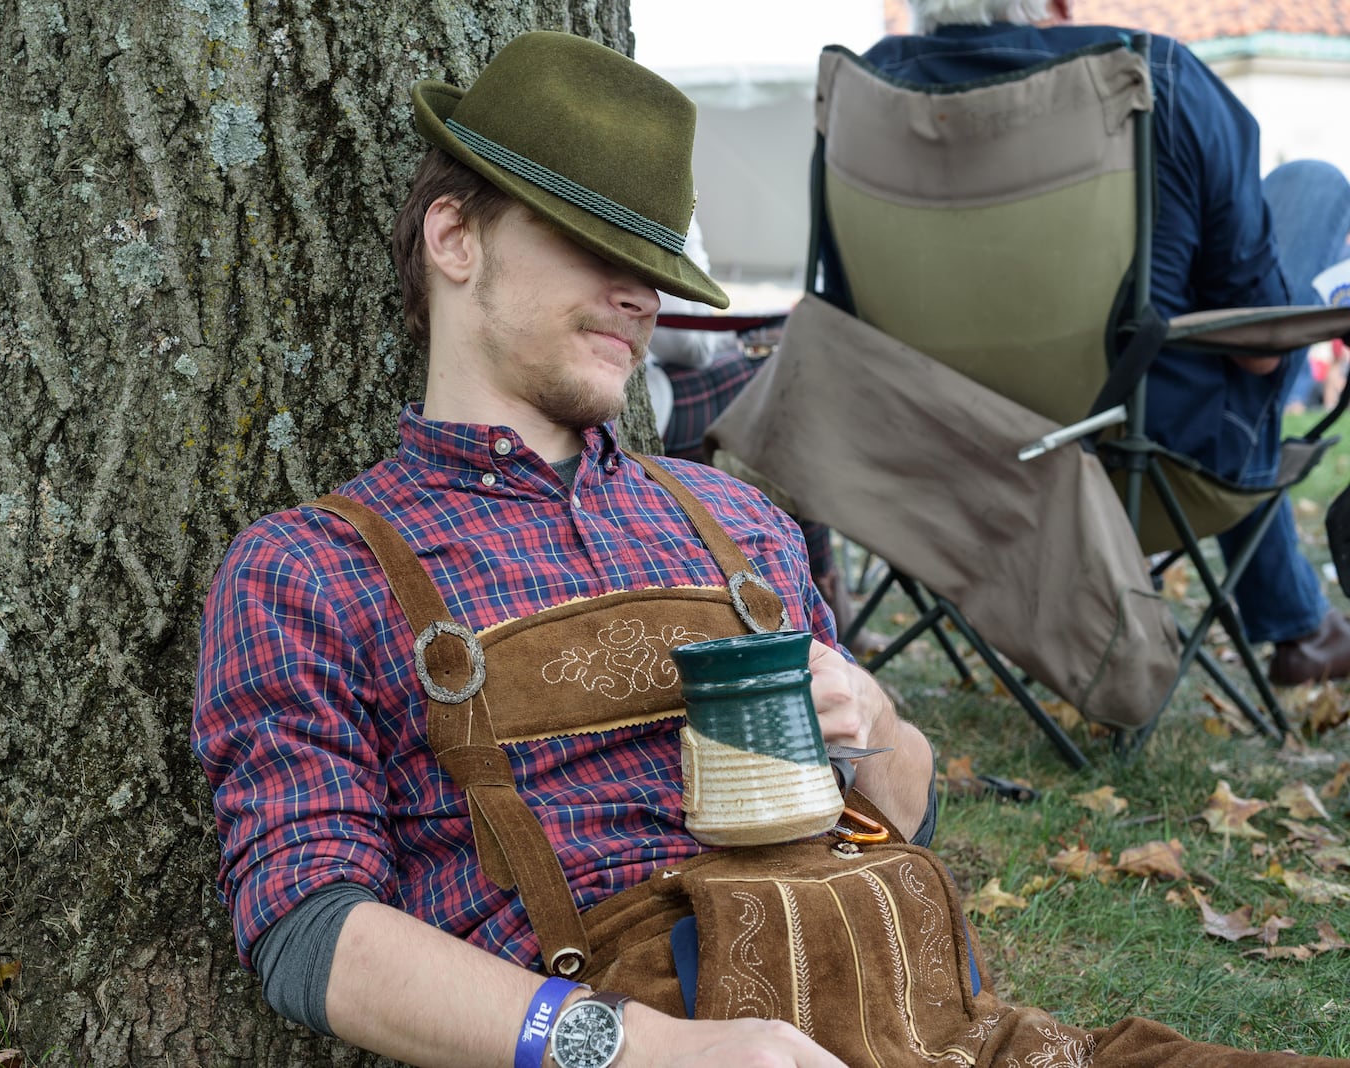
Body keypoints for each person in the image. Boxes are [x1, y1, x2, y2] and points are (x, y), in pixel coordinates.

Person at [193, 30, 1347, 1068]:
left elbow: (903, 816)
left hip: (968, 1036)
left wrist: (879, 722)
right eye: (594, 244)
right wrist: (633, 1050)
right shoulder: (311, 569)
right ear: (455, 237)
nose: (635, 293)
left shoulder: (732, 520)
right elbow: (313, 936)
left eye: (650, 263)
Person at [863, 0, 1350, 687]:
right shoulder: (1152, 76)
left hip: (943, 469)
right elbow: (1260, 354)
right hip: (1139, 465)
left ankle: (1297, 618)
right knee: (1313, 188)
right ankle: (1297, 621)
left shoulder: (868, 93)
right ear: (1057, 5)